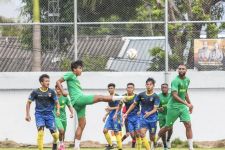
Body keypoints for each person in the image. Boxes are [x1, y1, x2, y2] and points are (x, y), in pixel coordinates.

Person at [56, 60, 130, 150]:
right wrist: (63, 91)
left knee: (82, 125)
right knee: (100, 97)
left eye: (81, 68)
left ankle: (76, 147)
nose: (81, 69)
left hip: (78, 104)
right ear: (74, 69)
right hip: (79, 99)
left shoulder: (74, 77)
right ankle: (122, 97)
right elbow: (58, 81)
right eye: (80, 68)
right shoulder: (70, 74)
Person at [157, 64, 194, 150]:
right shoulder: (175, 81)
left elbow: (185, 93)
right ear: (178, 70)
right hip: (173, 106)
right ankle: (155, 141)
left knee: (188, 125)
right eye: (179, 69)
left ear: (186, 70)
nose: (181, 70)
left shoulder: (187, 80)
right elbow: (174, 95)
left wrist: (190, 104)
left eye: (183, 69)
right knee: (167, 127)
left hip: (182, 106)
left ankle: (191, 148)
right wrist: (186, 104)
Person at [25, 74, 60, 150]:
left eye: (49, 81)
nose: (48, 82)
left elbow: (57, 102)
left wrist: (57, 110)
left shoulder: (52, 92)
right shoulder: (35, 92)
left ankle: (54, 143)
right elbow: (28, 103)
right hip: (39, 115)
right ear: (41, 82)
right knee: (40, 133)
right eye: (46, 81)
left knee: (56, 135)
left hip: (50, 115)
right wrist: (27, 115)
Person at [124, 78, 160, 150]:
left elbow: (155, 109)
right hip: (143, 118)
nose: (149, 86)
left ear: (153, 86)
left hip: (153, 118)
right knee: (141, 133)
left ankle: (153, 144)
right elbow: (134, 104)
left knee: (152, 137)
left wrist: (149, 113)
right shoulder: (141, 95)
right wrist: (126, 113)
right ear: (145, 85)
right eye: (147, 84)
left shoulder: (156, 96)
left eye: (150, 84)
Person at [115, 83, 141, 150]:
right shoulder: (123, 96)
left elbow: (142, 105)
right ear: (126, 89)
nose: (129, 89)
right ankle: (123, 144)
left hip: (137, 117)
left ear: (133, 89)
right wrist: (117, 116)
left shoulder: (137, 96)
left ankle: (138, 148)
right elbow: (119, 106)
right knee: (132, 135)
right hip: (128, 117)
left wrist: (140, 111)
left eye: (131, 87)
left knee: (137, 133)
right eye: (128, 87)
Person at [103, 83, 122, 150]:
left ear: (114, 89)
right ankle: (110, 145)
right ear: (108, 89)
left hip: (117, 115)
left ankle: (120, 148)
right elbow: (110, 108)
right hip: (111, 116)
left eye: (112, 88)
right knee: (105, 130)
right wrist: (105, 115)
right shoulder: (108, 97)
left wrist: (115, 113)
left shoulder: (117, 97)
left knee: (116, 132)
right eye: (109, 88)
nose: (110, 89)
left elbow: (119, 107)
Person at [54, 85, 74, 150]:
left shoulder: (65, 97)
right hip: (56, 117)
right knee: (61, 130)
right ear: (55, 90)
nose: (59, 91)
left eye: (60, 89)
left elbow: (69, 106)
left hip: (64, 117)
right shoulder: (53, 97)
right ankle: (60, 144)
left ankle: (62, 145)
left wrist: (71, 113)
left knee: (63, 132)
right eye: (57, 89)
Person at [158, 83, 173, 150]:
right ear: (161, 89)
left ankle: (168, 140)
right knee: (162, 131)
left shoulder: (171, 96)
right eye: (163, 87)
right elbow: (155, 107)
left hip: (169, 114)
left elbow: (174, 104)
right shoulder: (158, 96)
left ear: (168, 88)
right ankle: (164, 145)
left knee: (170, 128)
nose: (164, 89)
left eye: (165, 87)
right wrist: (159, 108)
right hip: (161, 115)